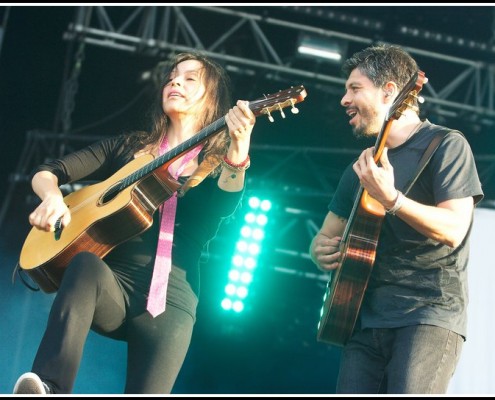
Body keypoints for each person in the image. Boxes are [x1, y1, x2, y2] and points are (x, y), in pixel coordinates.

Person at [13, 51, 256, 394]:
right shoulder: (130, 148)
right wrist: (53, 196)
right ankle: (50, 386)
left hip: (172, 303)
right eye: (172, 76)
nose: (175, 81)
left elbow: (225, 202)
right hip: (113, 285)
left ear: (213, 98)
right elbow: (49, 171)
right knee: (84, 264)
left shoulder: (215, 162)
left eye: (190, 79)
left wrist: (239, 150)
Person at [309, 44, 484, 394]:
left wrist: (392, 199)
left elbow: (453, 228)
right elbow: (325, 236)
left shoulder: (446, 146)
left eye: (355, 88)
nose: (344, 99)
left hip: (427, 316)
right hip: (362, 320)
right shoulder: (361, 166)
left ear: (390, 91)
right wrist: (320, 250)